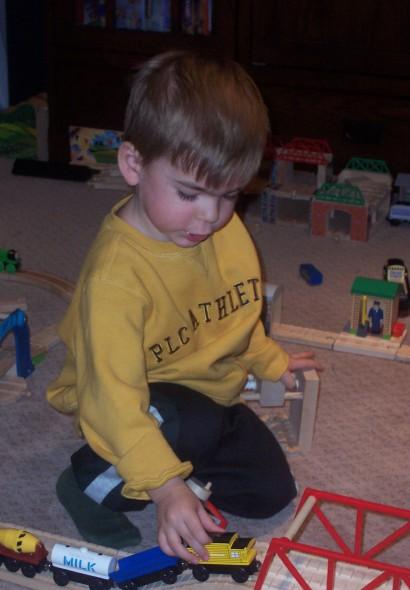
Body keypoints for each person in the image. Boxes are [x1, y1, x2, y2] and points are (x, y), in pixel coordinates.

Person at [47, 50, 321, 563]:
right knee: (183, 427)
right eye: (190, 193)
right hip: (127, 400)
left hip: (207, 395)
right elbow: (113, 399)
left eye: (230, 194)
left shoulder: (219, 227)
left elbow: (236, 310)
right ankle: (84, 483)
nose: (211, 216)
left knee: (268, 493)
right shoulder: (116, 278)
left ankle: (182, 458)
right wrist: (166, 486)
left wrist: (267, 358)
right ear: (133, 164)